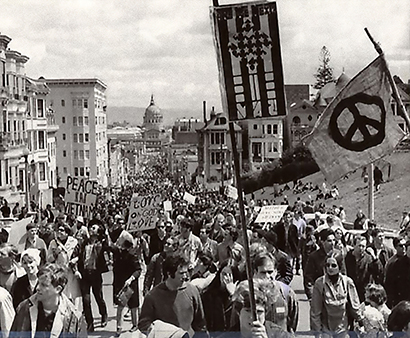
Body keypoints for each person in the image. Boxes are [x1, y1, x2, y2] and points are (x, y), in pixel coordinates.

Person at [138, 255, 207, 338]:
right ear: (169, 274)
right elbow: (143, 325)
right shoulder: (152, 296)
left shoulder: (192, 291)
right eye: (181, 273)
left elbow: (200, 324)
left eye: (186, 272)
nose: (185, 277)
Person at [10, 263, 86, 337]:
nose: (37, 288)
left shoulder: (74, 318)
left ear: (58, 289)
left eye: (44, 285)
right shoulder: (24, 308)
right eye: (38, 283)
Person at [232, 252, 299, 333]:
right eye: (263, 272)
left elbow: (292, 323)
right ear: (255, 272)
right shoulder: (245, 292)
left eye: (270, 272)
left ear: (275, 271)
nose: (267, 276)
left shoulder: (286, 293)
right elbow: (235, 323)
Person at [310, 254, 362, 336]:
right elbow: (315, 312)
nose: (330, 268)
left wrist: (362, 321)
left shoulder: (347, 282)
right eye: (328, 265)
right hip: (326, 330)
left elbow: (355, 307)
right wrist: (317, 332)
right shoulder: (319, 283)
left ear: (340, 266)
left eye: (333, 265)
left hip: (343, 329)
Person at [72, 222, 109, 332]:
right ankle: (90, 322)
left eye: (94, 228)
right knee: (86, 300)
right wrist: (75, 269)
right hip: (84, 275)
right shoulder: (83, 243)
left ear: (98, 232)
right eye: (90, 228)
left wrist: (106, 236)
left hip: (95, 274)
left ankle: (104, 314)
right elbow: (75, 255)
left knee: (98, 297)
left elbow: (110, 248)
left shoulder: (102, 243)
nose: (90, 229)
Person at [304, 228, 346, 300]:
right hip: (320, 295)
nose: (332, 243)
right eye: (329, 241)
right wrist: (311, 297)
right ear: (322, 241)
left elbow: (343, 274)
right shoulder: (314, 257)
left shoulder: (338, 255)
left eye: (334, 240)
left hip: (336, 296)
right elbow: (308, 278)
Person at [112, 238, 141, 336]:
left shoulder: (133, 257)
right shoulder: (118, 256)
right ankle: (119, 328)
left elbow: (138, 270)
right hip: (122, 285)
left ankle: (135, 325)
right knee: (121, 306)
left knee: (133, 307)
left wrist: (131, 279)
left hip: (131, 285)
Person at [345, 235, 384, 302]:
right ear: (354, 245)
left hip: (363, 292)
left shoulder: (369, 258)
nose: (361, 248)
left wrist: (374, 257)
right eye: (359, 246)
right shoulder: (347, 257)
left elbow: (379, 271)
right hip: (350, 291)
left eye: (363, 246)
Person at [384, 237, 410, 308]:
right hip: (400, 300)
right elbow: (389, 284)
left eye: (405, 245)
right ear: (395, 247)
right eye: (401, 246)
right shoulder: (393, 263)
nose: (404, 248)